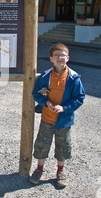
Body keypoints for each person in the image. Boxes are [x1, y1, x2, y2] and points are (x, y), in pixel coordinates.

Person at [30, 43, 85, 188]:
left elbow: (79, 97)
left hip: (64, 119)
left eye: (62, 55)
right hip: (47, 117)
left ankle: (60, 171)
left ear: (68, 58)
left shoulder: (74, 78)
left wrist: (64, 108)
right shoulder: (45, 76)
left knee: (63, 145)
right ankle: (39, 169)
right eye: (56, 56)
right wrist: (46, 102)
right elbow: (36, 93)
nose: (59, 58)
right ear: (51, 59)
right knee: (42, 144)